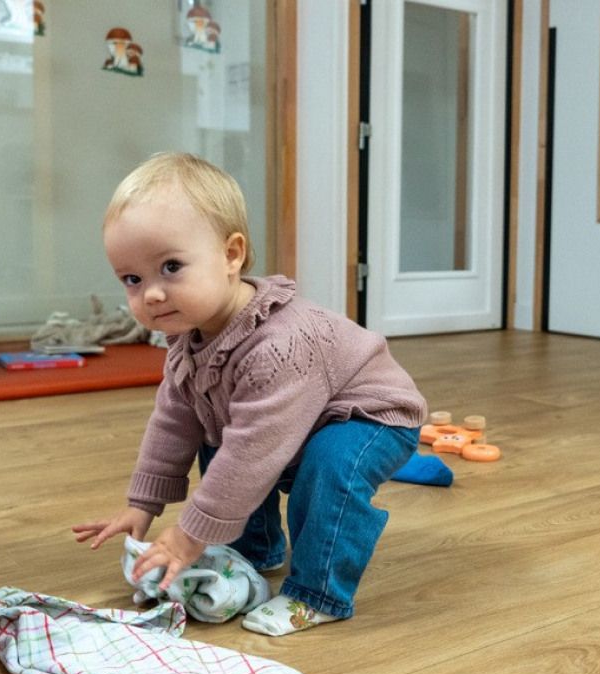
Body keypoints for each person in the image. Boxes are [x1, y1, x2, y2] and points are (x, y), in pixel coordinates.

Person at [72, 152, 425, 636]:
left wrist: (190, 536)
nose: (150, 294)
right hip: (291, 421)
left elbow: (252, 454)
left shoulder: (277, 346)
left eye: (171, 267)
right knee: (213, 424)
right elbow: (174, 420)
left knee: (327, 465)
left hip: (369, 415)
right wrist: (143, 504)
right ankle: (254, 549)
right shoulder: (189, 339)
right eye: (132, 279)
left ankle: (318, 593)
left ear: (232, 255)